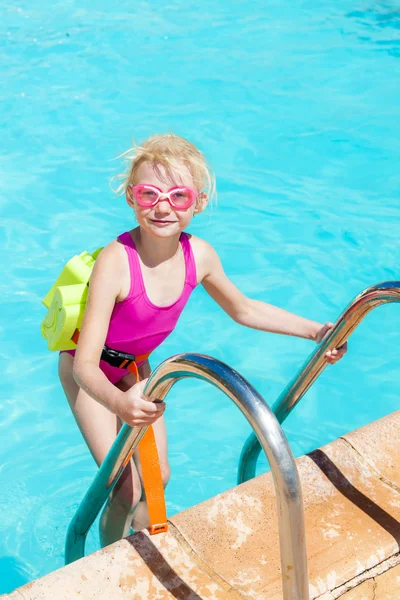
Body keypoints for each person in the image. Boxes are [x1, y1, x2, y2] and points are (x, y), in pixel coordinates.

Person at [58, 133, 347, 547]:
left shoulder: (200, 256)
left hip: (133, 367)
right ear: (130, 197)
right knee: (123, 485)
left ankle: (140, 543)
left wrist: (317, 332)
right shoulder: (116, 261)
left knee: (159, 476)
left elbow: (244, 309)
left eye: (178, 196)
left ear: (199, 202)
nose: (162, 207)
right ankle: (105, 559)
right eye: (148, 194)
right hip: (88, 373)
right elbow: (84, 363)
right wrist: (120, 404)